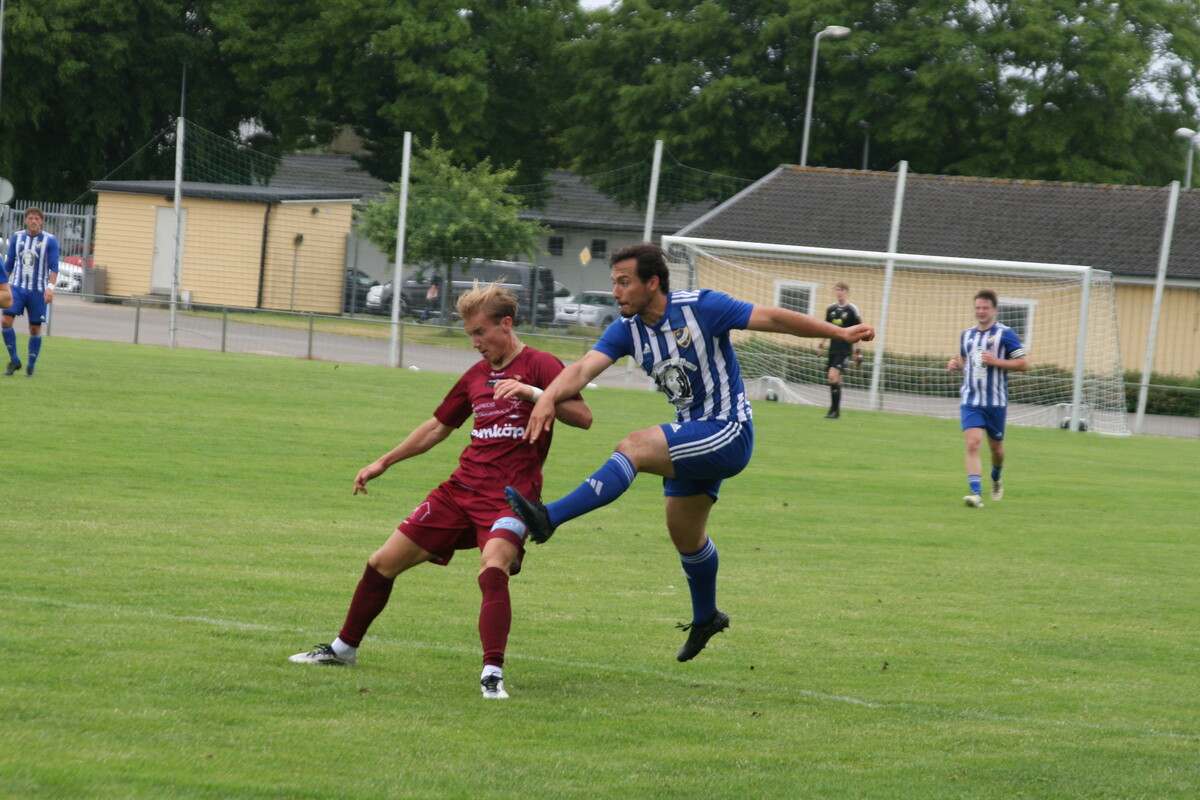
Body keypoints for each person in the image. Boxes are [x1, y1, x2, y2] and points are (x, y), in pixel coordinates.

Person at [504, 243, 874, 662]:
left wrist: (838, 333)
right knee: (686, 536)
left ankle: (549, 517)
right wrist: (548, 397)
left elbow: (772, 317)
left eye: (624, 282)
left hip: (727, 430)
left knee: (634, 446)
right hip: (692, 435)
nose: (616, 292)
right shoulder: (627, 329)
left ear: (653, 283)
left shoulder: (702, 307)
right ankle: (707, 617)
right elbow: (581, 369)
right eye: (614, 282)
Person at [289, 282, 592, 699]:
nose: (475, 343)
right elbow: (437, 427)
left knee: (492, 569)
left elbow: (583, 417)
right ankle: (344, 650)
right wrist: (383, 462)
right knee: (381, 563)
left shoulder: (540, 364)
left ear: (506, 324)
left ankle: (492, 675)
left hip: (510, 498)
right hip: (460, 491)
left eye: (480, 332)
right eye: (470, 334)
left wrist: (533, 393)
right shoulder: (475, 376)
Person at [946, 289, 1028, 508]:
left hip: (995, 403)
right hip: (971, 401)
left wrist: (996, 361)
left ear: (994, 310)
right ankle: (976, 494)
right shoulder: (967, 335)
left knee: (996, 450)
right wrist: (956, 365)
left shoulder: (1006, 334)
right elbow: (965, 361)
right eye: (978, 308)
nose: (981, 311)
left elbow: (1023, 363)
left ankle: (996, 477)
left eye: (985, 308)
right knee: (973, 443)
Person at [3, 207, 59, 377]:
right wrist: (2, 285)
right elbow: (9, 263)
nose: (33, 221)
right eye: (30, 218)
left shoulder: (50, 240)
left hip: (38, 291)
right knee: (5, 321)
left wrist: (50, 288)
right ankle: (14, 360)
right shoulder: (17, 237)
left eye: (36, 218)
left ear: (41, 221)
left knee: (34, 329)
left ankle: (30, 367)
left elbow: (54, 266)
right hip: (17, 288)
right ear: (26, 220)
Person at [816, 281, 864, 419]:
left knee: (832, 375)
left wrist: (858, 352)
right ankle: (835, 411)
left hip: (844, 350)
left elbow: (859, 331)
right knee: (835, 379)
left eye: (842, 290)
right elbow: (826, 329)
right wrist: (820, 345)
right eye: (837, 290)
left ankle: (834, 411)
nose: (839, 292)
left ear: (846, 292)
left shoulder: (852, 309)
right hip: (833, 349)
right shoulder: (830, 309)